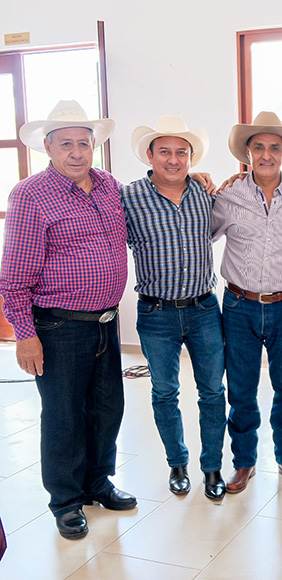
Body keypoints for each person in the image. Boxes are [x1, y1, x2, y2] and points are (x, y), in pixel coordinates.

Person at [0, 101, 136, 540]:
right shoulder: (30, 195)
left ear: (94, 145)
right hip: (59, 327)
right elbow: (13, 277)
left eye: (83, 143)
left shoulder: (110, 185)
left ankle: (97, 483)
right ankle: (65, 500)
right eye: (66, 144)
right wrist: (25, 335)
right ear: (48, 147)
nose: (76, 153)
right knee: (64, 416)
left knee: (107, 409)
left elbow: (151, 201)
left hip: (106, 322)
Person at [212, 112, 282, 492]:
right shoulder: (228, 196)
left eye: (275, 147)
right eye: (259, 147)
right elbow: (199, 234)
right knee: (240, 390)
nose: (267, 155)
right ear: (248, 152)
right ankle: (243, 463)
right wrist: (199, 185)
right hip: (238, 306)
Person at [122, 115, 227, 500]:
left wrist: (207, 179)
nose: (173, 159)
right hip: (156, 314)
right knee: (165, 392)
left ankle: (212, 467)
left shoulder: (205, 194)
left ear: (191, 158)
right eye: (164, 151)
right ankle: (177, 464)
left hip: (204, 310)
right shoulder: (128, 198)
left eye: (181, 152)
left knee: (212, 392)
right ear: (149, 155)